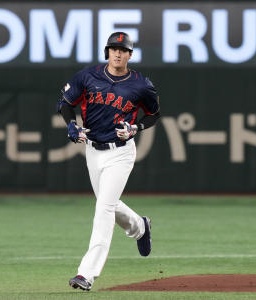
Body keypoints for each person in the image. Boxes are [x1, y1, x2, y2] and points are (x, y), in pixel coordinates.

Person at [57, 32, 161, 291]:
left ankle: (86, 273)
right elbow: (65, 104)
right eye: (113, 48)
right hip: (93, 150)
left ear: (129, 55)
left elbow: (154, 115)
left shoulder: (140, 84)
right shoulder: (88, 76)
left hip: (121, 152)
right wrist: (71, 124)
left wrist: (136, 127)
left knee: (103, 209)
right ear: (107, 52)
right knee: (108, 204)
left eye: (122, 50)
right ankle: (139, 226)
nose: (117, 53)